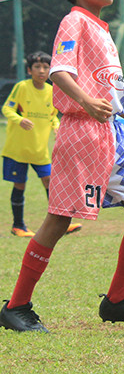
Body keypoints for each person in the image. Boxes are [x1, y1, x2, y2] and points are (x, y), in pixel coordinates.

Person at [0, 0, 124, 333]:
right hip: (83, 135)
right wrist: (84, 100)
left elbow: (113, 100)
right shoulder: (73, 22)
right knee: (60, 218)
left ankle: (118, 301)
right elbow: (60, 70)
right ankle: (16, 306)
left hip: (115, 136)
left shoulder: (101, 28)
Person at [2, 52, 82, 237]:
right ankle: (18, 226)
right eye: (37, 67)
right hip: (18, 150)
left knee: (52, 184)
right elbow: (7, 108)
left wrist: (57, 126)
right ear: (29, 70)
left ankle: (60, 225)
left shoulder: (52, 91)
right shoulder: (22, 87)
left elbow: (52, 116)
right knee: (20, 185)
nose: (42, 71)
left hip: (40, 152)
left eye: (46, 67)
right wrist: (19, 119)